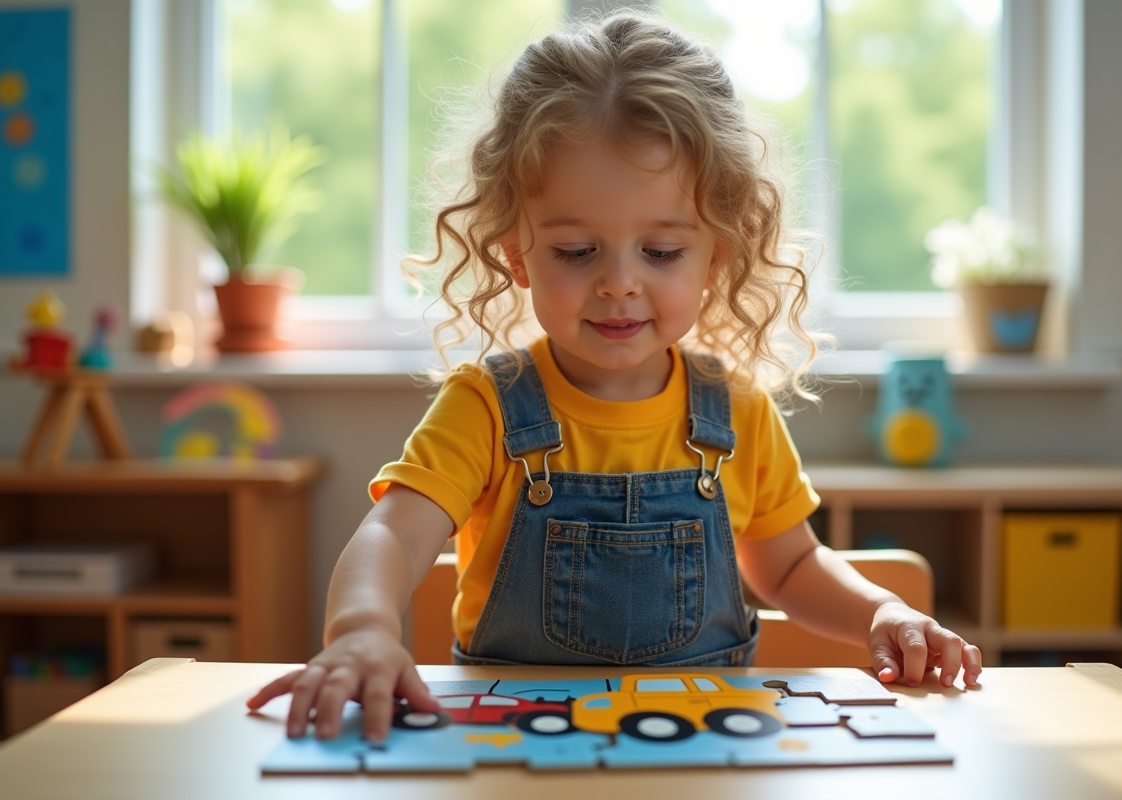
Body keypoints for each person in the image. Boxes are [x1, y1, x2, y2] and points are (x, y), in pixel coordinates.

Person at [247, 12, 982, 744]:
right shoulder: (488, 407)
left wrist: (883, 612)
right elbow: (395, 537)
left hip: (704, 750)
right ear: (516, 254)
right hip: (517, 750)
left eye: (661, 251)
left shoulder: (736, 412)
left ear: (716, 256)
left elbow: (791, 567)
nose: (619, 284)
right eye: (575, 251)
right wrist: (361, 629)